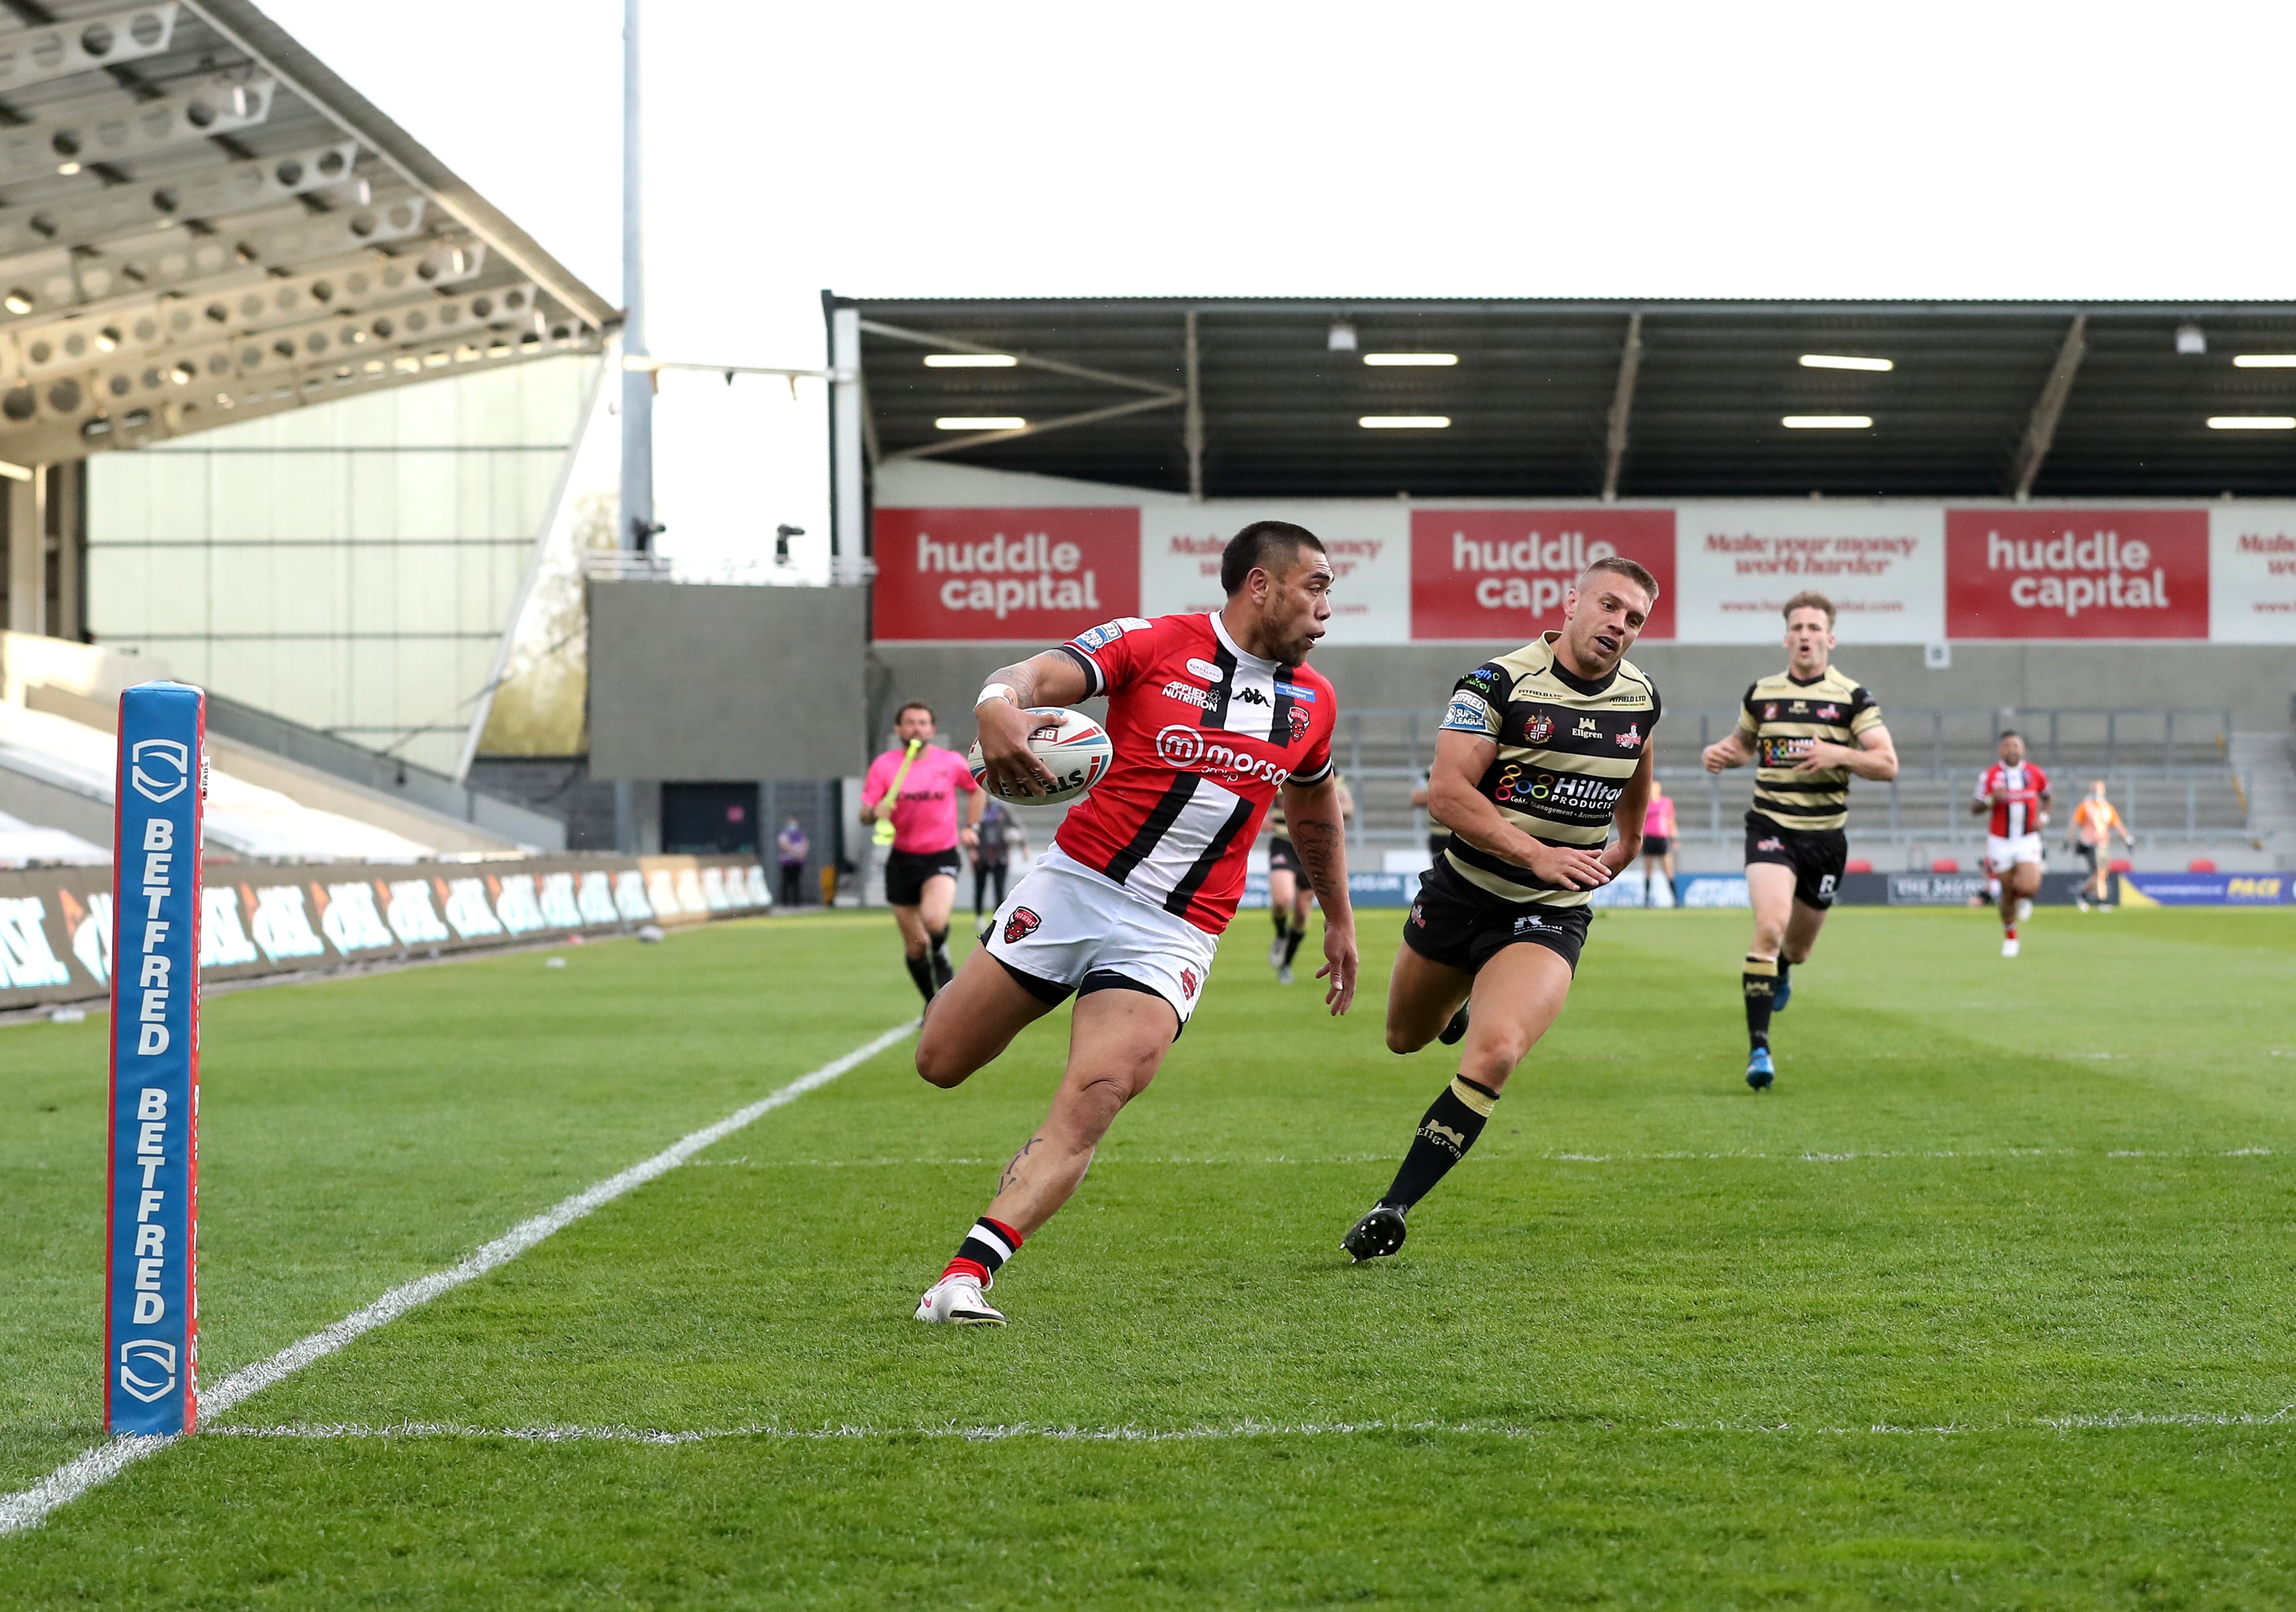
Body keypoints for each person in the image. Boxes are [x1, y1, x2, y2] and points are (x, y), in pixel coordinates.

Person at [911, 521, 1358, 1325]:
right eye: (1317, 585)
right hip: (1076, 886)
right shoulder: (1151, 641)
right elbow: (1037, 672)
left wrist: (1337, 916)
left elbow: (1314, 800)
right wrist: (995, 703)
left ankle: (965, 1272)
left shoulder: (1313, 701)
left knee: (1100, 1089)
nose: (1328, 606)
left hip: (1176, 930)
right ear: (1260, 584)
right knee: (940, 1059)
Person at [1340, 556, 1661, 1262]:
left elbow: (1636, 761)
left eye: (1633, 618)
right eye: (1608, 606)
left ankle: (1393, 1205)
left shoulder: (1640, 695)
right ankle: (1458, 1002)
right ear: (1571, 601)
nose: (1618, 624)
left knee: (1498, 1050)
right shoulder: (1495, 681)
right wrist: (1534, 852)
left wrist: (1631, 840)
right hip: (1462, 892)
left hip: (1549, 911)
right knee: (1403, 1036)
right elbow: (1450, 794)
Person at [1700, 591, 1898, 1092]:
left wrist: (1839, 754)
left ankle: (1784, 968)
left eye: (1815, 628)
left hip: (1825, 840)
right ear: (1786, 636)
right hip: (1771, 828)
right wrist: (1726, 752)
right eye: (1798, 627)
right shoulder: (1762, 692)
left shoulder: (1854, 698)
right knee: (1768, 928)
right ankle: (1759, 1049)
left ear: (1830, 638)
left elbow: (1887, 764)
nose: (1805, 635)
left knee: (1798, 948)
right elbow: (1746, 743)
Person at [861, 703, 985, 1003]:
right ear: (899, 730)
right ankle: (932, 1003)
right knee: (916, 947)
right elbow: (864, 814)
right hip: (902, 859)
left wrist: (972, 826)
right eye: (910, 723)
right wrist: (876, 812)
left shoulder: (950, 762)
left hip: (940, 855)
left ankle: (941, 950)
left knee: (935, 922)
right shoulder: (885, 766)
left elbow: (977, 788)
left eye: (923, 722)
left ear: (932, 729)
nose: (917, 728)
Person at [1265, 774, 1355, 983]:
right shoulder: (1283, 762)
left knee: (1302, 914)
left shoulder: (1329, 770)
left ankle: (1285, 965)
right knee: (1282, 899)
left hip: (1312, 846)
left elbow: (1349, 807)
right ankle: (1280, 934)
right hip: (1283, 842)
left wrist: (1325, 809)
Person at [1974, 731, 2050, 955]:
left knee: (2029, 886)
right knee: (2007, 891)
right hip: (2000, 841)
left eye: (2016, 745)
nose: (2011, 750)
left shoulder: (2035, 773)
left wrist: (2044, 818)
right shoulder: (1989, 776)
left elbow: (2049, 796)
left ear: (2023, 750)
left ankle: (2023, 899)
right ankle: (2011, 938)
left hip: (2027, 838)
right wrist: (1991, 800)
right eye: (2007, 746)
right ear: (2000, 750)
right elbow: (1974, 808)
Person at [2069, 778, 2133, 910]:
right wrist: (2068, 840)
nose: (2096, 792)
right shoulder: (2085, 806)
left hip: (2103, 843)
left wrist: (2128, 839)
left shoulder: (2107, 807)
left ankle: (2083, 894)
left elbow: (2117, 825)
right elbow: (2074, 824)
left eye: (2098, 790)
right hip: (2090, 843)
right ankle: (2102, 901)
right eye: (2094, 789)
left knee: (2102, 873)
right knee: (2098, 872)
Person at [972, 797, 1015, 928]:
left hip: (1000, 856)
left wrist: (1022, 845)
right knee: (980, 887)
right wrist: (972, 850)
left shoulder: (1003, 811)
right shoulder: (978, 812)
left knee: (999, 889)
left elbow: (1015, 828)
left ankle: (998, 917)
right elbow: (970, 831)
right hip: (982, 856)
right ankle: (979, 916)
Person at [1641, 779, 1677, 906]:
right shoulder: (1645, 804)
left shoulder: (1666, 803)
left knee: (1668, 870)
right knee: (1648, 870)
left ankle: (1675, 900)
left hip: (1663, 838)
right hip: (1649, 839)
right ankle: (1647, 900)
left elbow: (1671, 821)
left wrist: (1674, 838)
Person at [775, 816, 809, 908]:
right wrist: (795, 852)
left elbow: (806, 845)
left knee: (796, 882)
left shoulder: (800, 834)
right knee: (786, 882)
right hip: (786, 862)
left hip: (797, 862)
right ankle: (785, 902)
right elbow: (784, 845)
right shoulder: (784, 835)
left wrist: (801, 854)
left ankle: (796, 902)